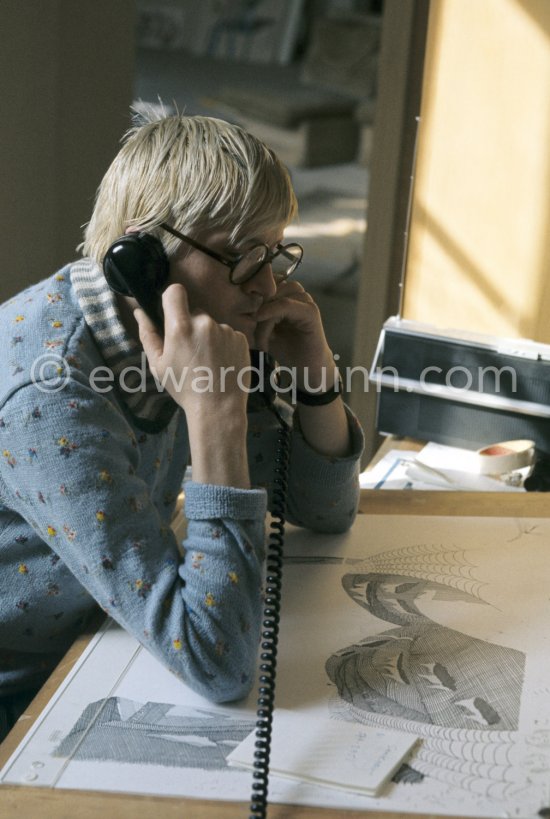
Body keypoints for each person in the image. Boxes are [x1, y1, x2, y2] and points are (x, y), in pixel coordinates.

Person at [0, 111, 364, 741]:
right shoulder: (52, 396)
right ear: (141, 258)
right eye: (240, 257)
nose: (269, 284)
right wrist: (214, 409)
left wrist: (316, 373)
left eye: (273, 253)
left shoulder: (182, 334)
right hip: (23, 694)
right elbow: (216, 661)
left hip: (94, 643)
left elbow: (323, 509)